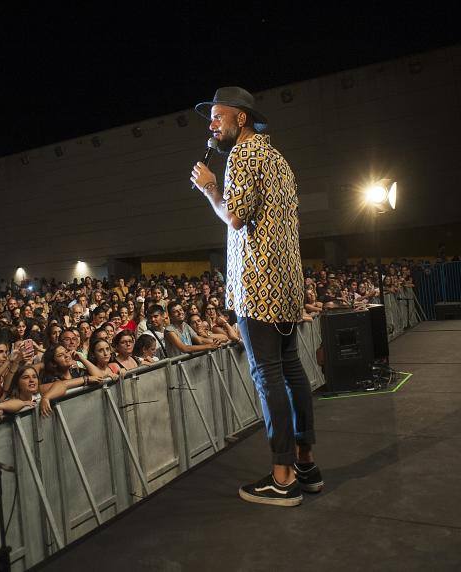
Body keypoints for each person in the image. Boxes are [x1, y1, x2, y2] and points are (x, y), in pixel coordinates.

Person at [191, 86, 320, 506]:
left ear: (239, 119)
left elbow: (234, 216)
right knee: (292, 371)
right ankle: (306, 464)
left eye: (217, 117)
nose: (211, 124)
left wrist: (211, 187)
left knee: (269, 378)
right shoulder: (277, 158)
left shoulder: (243, 158)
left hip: (256, 287)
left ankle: (282, 478)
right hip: (284, 284)